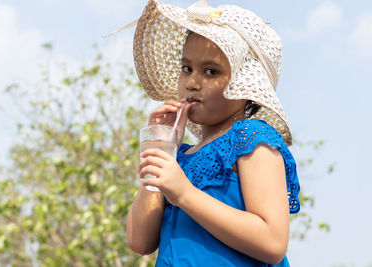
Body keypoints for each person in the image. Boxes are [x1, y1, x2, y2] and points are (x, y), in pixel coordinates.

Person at [126, 0, 300, 266]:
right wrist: (163, 146)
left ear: (245, 84)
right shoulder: (180, 158)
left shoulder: (251, 139)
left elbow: (273, 242)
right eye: (187, 69)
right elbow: (140, 241)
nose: (192, 83)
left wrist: (184, 194)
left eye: (210, 71)